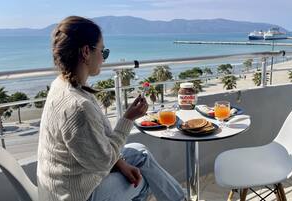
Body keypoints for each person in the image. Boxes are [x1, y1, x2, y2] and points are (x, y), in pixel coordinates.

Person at [37, 16, 185, 201]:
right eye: (103, 51)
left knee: (139, 153)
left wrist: (121, 163)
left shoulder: (62, 85)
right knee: (144, 179)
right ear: (85, 52)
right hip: (76, 195)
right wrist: (127, 119)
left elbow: (97, 145)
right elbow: (103, 162)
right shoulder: (77, 106)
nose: (104, 59)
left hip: (64, 183)